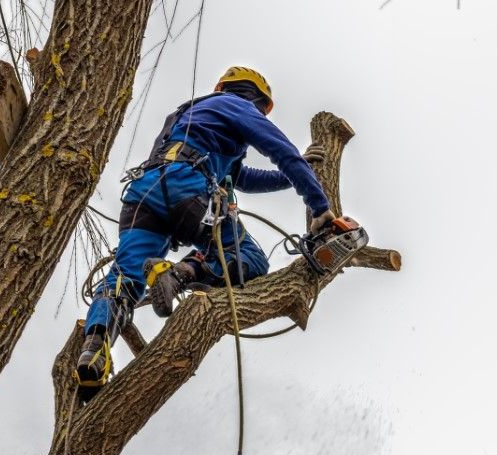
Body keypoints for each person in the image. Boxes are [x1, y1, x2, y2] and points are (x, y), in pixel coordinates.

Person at [76, 66, 336, 403]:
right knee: (251, 260)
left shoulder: (189, 113)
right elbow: (281, 152)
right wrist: (319, 207)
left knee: (123, 279)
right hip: (188, 189)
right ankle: (182, 273)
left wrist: (290, 176)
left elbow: (242, 178)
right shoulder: (239, 107)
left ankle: (94, 350)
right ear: (256, 100)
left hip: (143, 194)